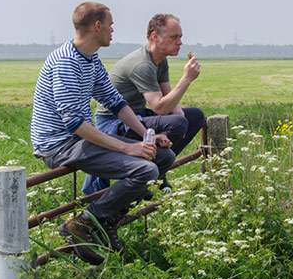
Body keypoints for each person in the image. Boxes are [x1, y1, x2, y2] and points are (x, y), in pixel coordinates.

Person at [30, 2, 175, 265]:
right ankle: (83, 222)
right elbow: (74, 124)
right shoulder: (66, 63)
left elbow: (114, 100)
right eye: (110, 24)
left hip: (78, 137)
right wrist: (128, 148)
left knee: (163, 157)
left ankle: (107, 221)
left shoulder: (90, 57)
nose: (112, 30)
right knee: (146, 171)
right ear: (97, 26)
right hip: (59, 143)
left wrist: (145, 136)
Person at [83, 13, 204, 194]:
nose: (179, 42)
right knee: (178, 123)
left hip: (137, 115)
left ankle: (158, 170)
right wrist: (186, 79)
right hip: (113, 122)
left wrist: (180, 116)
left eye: (180, 37)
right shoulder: (142, 64)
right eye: (174, 37)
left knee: (195, 116)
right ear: (155, 37)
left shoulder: (160, 61)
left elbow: (168, 97)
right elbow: (160, 107)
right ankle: (148, 174)